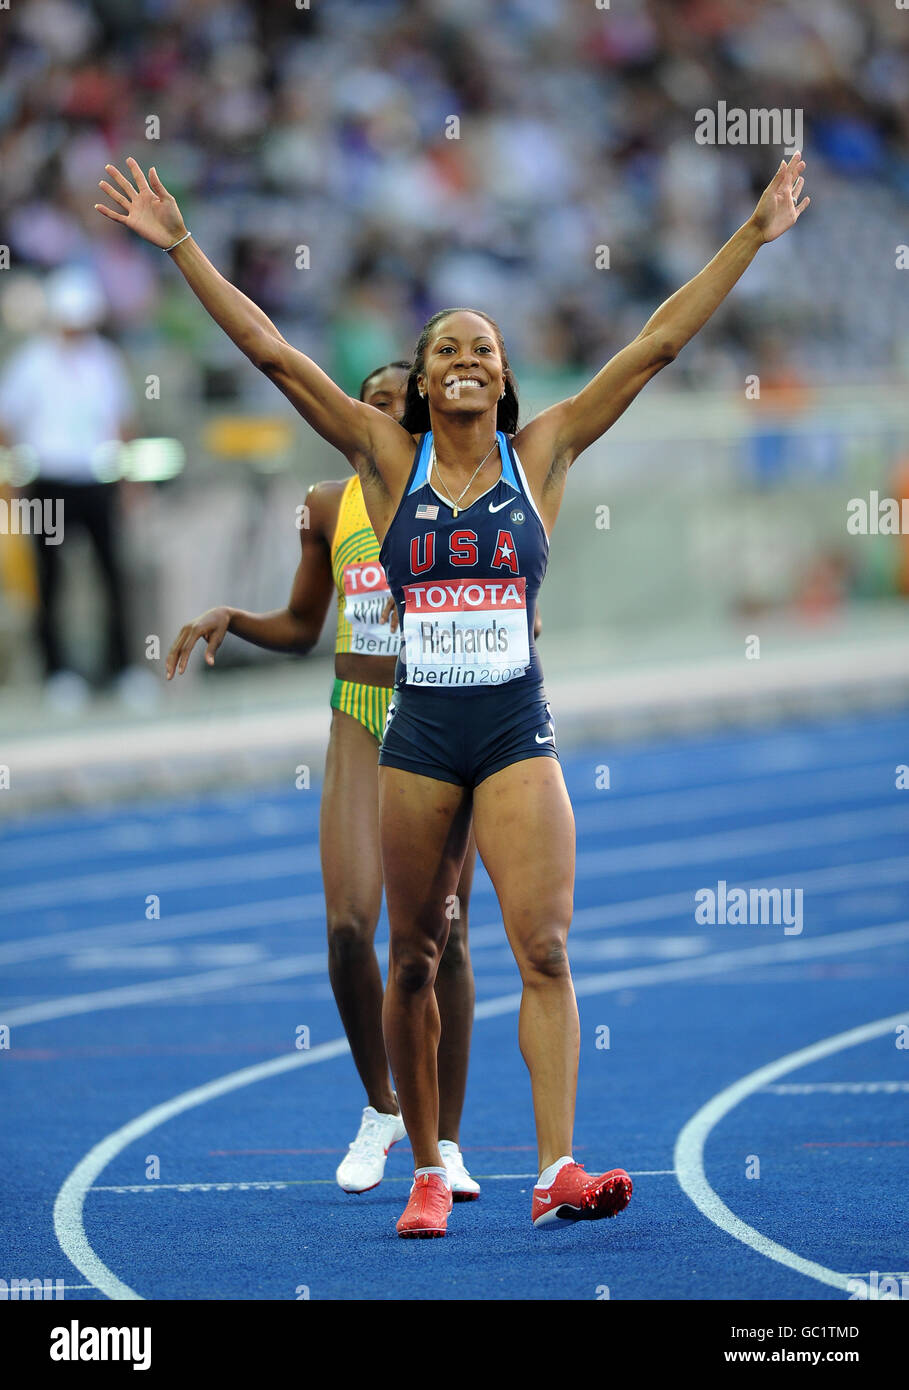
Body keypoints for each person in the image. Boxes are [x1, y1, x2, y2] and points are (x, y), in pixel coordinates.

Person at [97, 149, 810, 1238]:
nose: (467, 357)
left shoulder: (547, 452)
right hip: (420, 735)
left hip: (516, 729)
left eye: (484, 345)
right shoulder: (385, 460)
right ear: (424, 381)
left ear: (505, 373)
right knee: (416, 954)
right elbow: (275, 357)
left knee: (546, 949)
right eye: (447, 348)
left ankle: (558, 1165)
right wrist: (186, 245)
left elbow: (659, 343)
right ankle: (429, 1166)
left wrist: (753, 237)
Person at [164, 361, 480, 1199]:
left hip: (442, 715)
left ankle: (444, 1140)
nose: (368, 417)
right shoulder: (325, 505)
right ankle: (381, 1110)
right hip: (357, 712)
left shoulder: (457, 495)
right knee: (348, 927)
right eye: (361, 403)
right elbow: (304, 626)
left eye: (388, 406)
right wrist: (235, 616)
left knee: (444, 937)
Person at [0, 265, 137, 711]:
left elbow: (121, 423)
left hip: (96, 480)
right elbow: (7, 424)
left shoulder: (104, 360)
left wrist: (128, 479)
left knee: (112, 573)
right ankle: (57, 672)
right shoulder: (31, 363)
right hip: (49, 483)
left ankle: (123, 669)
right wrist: (15, 476)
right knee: (51, 579)